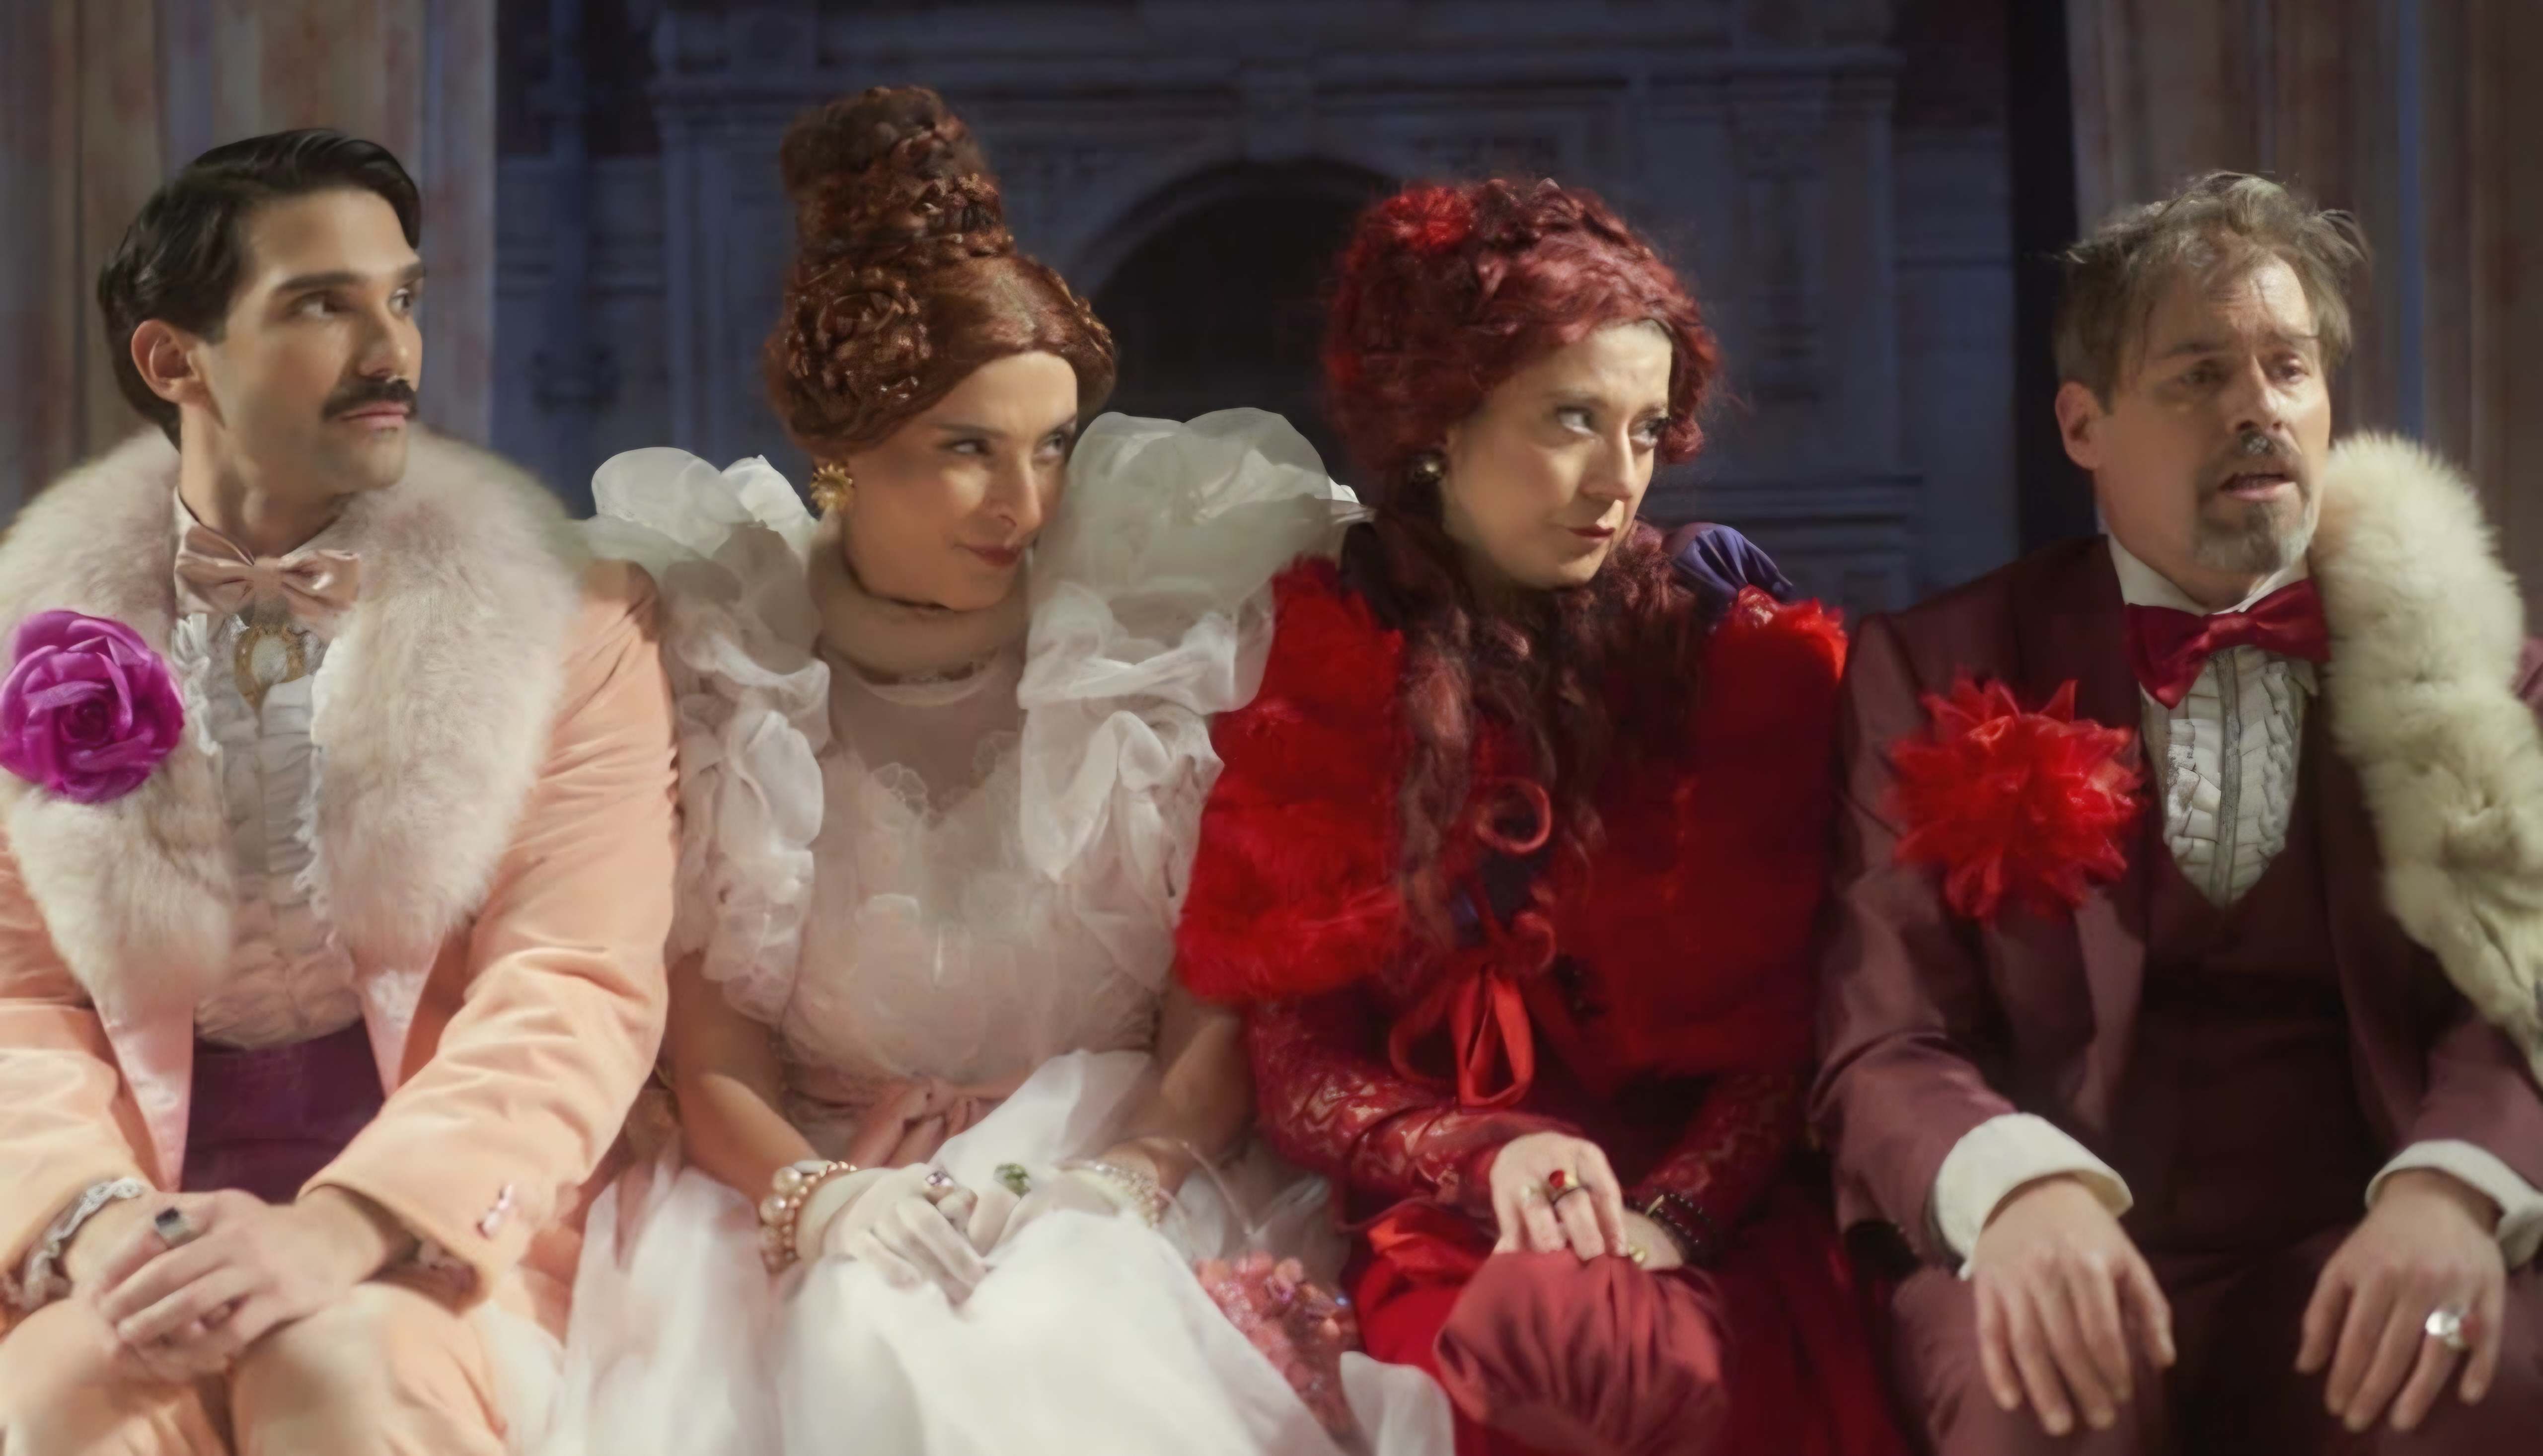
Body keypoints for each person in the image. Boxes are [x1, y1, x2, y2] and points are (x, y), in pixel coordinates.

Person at [536, 86, 1450, 1456]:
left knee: (1049, 1346)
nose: (1024, 504)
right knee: (854, 1334)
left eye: (1051, 445)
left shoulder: (1150, 639)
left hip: (1115, 1167)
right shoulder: (728, 660)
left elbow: (1216, 1015)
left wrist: (1126, 1178)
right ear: (844, 455)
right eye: (965, 451)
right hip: (816, 1179)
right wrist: (820, 1197)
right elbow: (714, 1055)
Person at [1173, 177, 1907, 1456]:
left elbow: (1790, 1033)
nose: (1618, 479)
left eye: (1646, 428)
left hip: (1715, 1221)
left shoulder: (1738, 663)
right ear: (1436, 424)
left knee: (1709, 1383)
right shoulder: (1331, 669)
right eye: (1572, 419)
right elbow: (1293, 1065)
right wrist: (1482, 1149)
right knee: (1515, 1381)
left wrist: (1672, 1215)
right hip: (1462, 1219)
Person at [1814, 171, 2543, 1453]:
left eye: (2288, 368)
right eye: (2200, 374)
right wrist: (2017, 1191)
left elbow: (2520, 989)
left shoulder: (2465, 664)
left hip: (2357, 1234)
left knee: (2471, 1379)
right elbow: (1885, 1038)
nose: (2259, 407)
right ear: (2083, 425)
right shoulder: (1936, 667)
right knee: (2034, 1394)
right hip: (2050, 1236)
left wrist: (2454, 1187)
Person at [0, 129, 677, 1455]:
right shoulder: (30, 632)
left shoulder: (568, 621)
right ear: (174, 359)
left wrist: (345, 1225)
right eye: (322, 304)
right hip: (131, 1207)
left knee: (342, 1371)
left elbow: (572, 981)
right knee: (55, 1404)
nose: (392, 352)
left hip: (436, 1219)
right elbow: (14, 996)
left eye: (403, 298)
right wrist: (94, 1219)